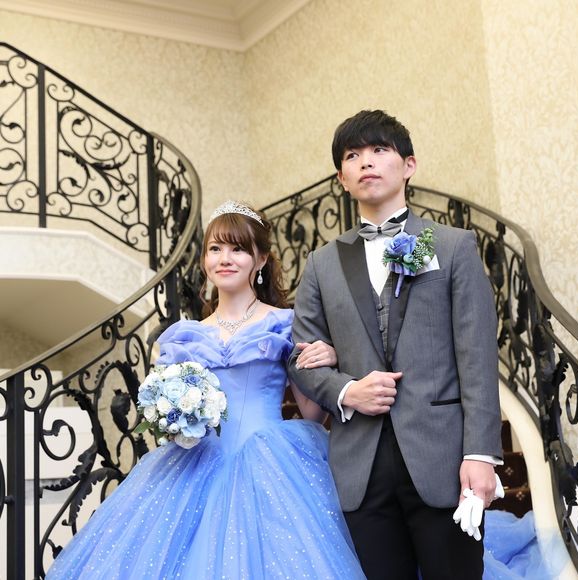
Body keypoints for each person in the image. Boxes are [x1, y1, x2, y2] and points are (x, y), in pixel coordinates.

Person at [46, 201, 366, 579]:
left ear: (261, 259)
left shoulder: (284, 325)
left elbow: (311, 412)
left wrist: (323, 359)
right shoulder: (186, 336)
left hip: (270, 463)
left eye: (238, 248)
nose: (224, 259)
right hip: (195, 464)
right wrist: (173, 415)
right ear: (203, 261)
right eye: (215, 248)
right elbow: (171, 428)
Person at [289, 109, 504, 580]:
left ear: (409, 165)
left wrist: (481, 454)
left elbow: (477, 357)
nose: (366, 162)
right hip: (360, 468)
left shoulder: (452, 246)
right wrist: (347, 390)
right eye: (352, 155)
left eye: (379, 150)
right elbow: (300, 358)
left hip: (444, 457)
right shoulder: (321, 263)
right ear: (342, 179)